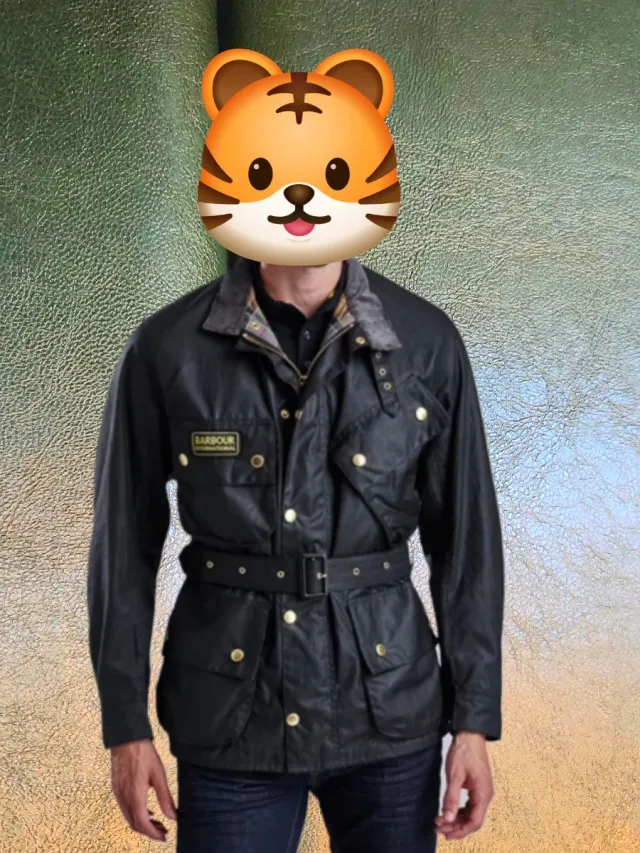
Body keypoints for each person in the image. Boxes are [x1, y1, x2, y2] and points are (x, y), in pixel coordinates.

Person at [87, 253, 504, 852]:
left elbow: (467, 546)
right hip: (231, 718)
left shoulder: (425, 339)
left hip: (387, 712)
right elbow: (121, 553)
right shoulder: (169, 346)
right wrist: (125, 729)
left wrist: (473, 721)